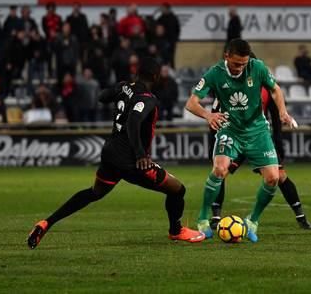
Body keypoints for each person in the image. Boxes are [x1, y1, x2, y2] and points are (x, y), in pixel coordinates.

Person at [27, 57, 205, 249]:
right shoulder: (148, 98)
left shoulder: (124, 87)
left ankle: (46, 223)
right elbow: (133, 122)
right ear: (155, 76)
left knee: (94, 192)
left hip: (110, 153)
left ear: (137, 73)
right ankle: (176, 231)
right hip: (131, 161)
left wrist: (121, 90)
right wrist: (140, 155)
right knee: (178, 189)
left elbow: (103, 96)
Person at [185, 39, 295, 242]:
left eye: (244, 64)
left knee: (273, 178)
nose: (240, 68)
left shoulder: (258, 67)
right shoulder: (214, 73)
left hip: (258, 131)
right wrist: (209, 116)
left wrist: (282, 112)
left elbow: (276, 90)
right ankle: (202, 219)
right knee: (220, 170)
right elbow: (191, 103)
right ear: (226, 56)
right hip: (230, 129)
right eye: (237, 64)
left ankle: (252, 221)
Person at [209, 84, 311, 230]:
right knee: (221, 172)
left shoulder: (266, 90)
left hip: (258, 139)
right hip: (234, 138)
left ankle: (301, 217)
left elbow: (275, 119)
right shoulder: (226, 86)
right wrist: (214, 141)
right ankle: (215, 217)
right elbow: (214, 115)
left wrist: (278, 144)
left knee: (279, 175)